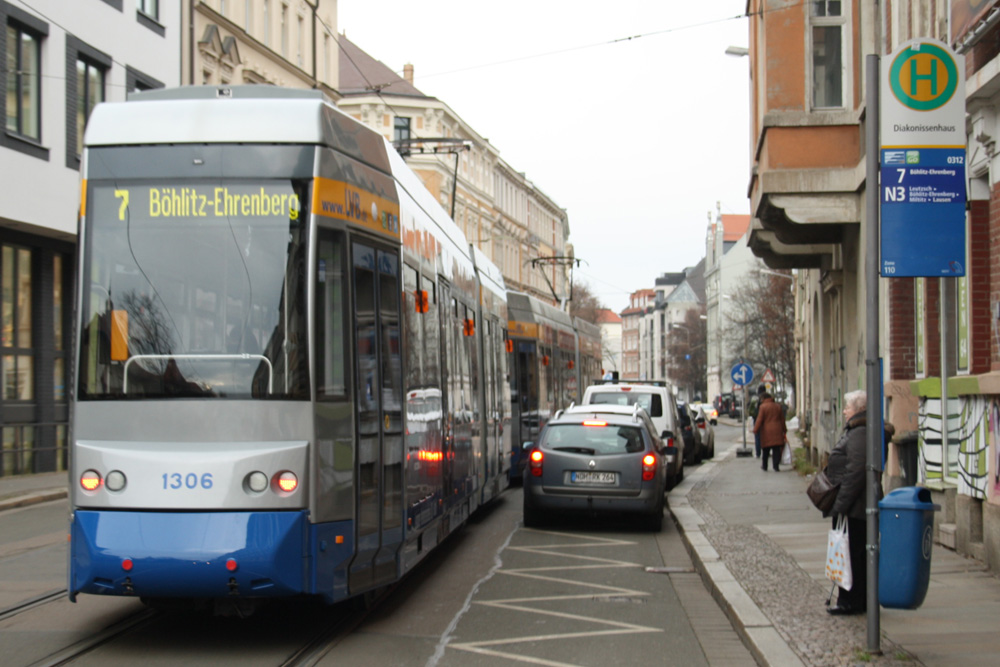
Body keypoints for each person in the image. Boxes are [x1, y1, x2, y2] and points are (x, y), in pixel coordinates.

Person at [824, 389, 885, 616]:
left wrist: (840, 504)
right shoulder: (859, 430)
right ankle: (854, 599)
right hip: (856, 505)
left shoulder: (859, 433)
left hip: (856, 507)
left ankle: (853, 601)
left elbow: (856, 472)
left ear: (858, 409)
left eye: (847, 408)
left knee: (852, 555)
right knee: (852, 554)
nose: (844, 412)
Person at [753, 389, 786, 471]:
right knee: (776, 449)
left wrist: (755, 429)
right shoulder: (778, 406)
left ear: (763, 399)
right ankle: (776, 466)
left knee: (765, 450)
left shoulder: (763, 407)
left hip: (766, 432)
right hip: (777, 430)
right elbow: (782, 419)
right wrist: (784, 430)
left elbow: (759, 419)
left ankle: (765, 466)